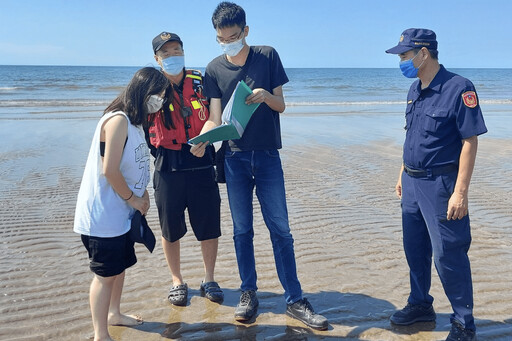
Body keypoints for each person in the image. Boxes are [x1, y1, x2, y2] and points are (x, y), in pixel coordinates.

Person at [201, 1, 328, 330]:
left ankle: (295, 298)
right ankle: (248, 292)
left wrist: (264, 96)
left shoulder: (268, 55)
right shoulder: (213, 68)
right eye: (220, 38)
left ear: (245, 31)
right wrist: (203, 139)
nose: (227, 43)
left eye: (232, 36)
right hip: (233, 157)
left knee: (281, 231)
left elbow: (281, 105)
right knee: (242, 231)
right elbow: (215, 117)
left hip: (268, 155)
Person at [386, 28, 487, 341]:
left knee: (448, 253)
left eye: (404, 55)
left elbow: (469, 141)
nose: (401, 61)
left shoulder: (459, 88)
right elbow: (412, 134)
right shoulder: (414, 90)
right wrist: (402, 171)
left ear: (423, 53)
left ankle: (463, 324)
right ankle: (420, 304)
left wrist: (460, 192)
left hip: (442, 184)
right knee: (414, 249)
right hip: (412, 183)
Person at [74, 67, 169, 341]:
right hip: (103, 216)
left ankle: (114, 314)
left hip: (122, 215)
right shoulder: (118, 121)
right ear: (143, 92)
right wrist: (134, 198)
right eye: (158, 95)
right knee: (104, 276)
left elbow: (135, 164)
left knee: (119, 268)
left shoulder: (137, 123)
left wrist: (143, 194)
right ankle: (100, 334)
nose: (160, 100)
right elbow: (110, 170)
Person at [147, 32, 223, 306]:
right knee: (170, 228)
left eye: (176, 50)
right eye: (165, 53)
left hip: (202, 162)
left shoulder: (201, 82)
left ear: (184, 52)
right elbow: (143, 128)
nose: (172, 56)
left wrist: (205, 140)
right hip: (169, 166)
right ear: (157, 58)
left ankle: (210, 277)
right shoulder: (150, 88)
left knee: (209, 225)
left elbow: (216, 116)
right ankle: (177, 280)